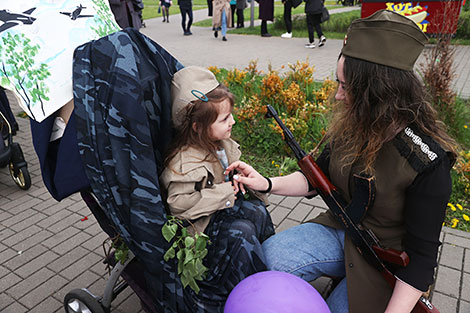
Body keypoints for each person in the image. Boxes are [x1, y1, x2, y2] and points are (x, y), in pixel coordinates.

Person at [225, 10, 457, 313]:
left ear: (378, 93)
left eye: (346, 87)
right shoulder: (355, 124)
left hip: (385, 257)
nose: (337, 96)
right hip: (342, 231)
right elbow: (315, 178)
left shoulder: (427, 162)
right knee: (270, 259)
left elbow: (421, 262)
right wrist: (266, 183)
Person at [160, 66, 274, 311]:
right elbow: (178, 205)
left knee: (257, 211)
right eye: (224, 119)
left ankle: (268, 272)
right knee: (242, 233)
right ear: (197, 126)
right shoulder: (184, 162)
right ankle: (219, 296)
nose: (233, 121)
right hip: (200, 232)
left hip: (219, 214)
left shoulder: (221, 144)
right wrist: (225, 192)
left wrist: (249, 182)